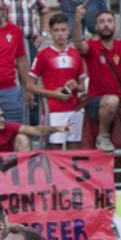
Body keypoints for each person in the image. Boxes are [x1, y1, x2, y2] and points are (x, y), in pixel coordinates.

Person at [73, 5, 121, 154]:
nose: (106, 24)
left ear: (115, 25)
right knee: (111, 100)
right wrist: (78, 21)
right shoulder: (92, 46)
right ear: (96, 27)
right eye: (102, 22)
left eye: (110, 21)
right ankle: (102, 136)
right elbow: (78, 44)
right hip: (96, 102)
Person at [26, 12, 86, 150]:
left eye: (63, 30)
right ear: (50, 32)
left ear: (68, 31)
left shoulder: (75, 54)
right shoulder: (43, 55)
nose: (60, 34)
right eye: (56, 30)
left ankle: (73, 173)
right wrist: (53, 94)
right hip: (53, 110)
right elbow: (30, 85)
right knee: (54, 148)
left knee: (75, 147)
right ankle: (50, 173)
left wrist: (77, 85)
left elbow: (83, 86)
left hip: (74, 108)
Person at [0, 100, 67, 152]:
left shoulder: (8, 126)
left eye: (2, 115)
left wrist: (58, 129)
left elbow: (36, 130)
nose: (2, 119)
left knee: (22, 137)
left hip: (9, 164)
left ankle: (25, 175)